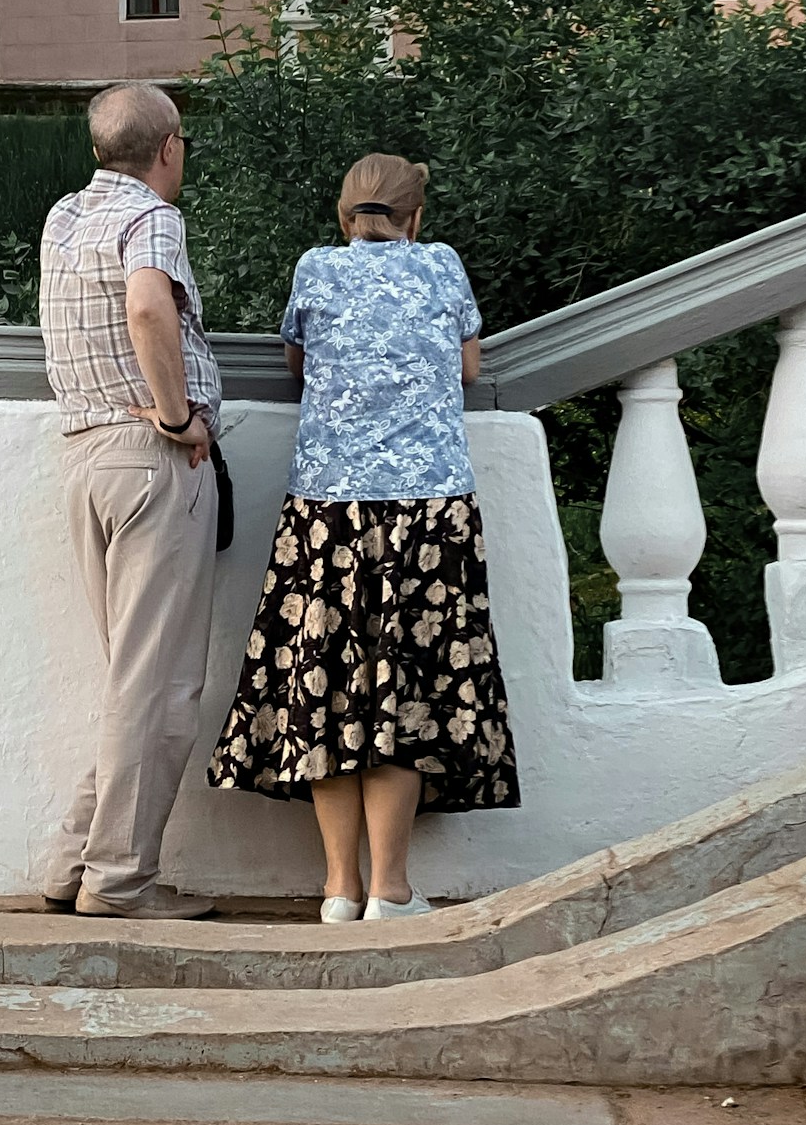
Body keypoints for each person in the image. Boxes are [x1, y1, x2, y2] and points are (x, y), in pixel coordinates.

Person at [209, 153, 518, 922]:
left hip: (327, 514)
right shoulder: (441, 266)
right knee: (405, 693)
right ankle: (392, 890)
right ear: (416, 215)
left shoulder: (315, 269)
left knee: (329, 688)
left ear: (344, 216)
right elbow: (469, 367)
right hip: (428, 512)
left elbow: (298, 360)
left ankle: (339, 889)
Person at [38, 82, 220, 919]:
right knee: (161, 687)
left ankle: (71, 866)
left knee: (131, 680)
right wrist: (177, 416)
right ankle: (117, 885)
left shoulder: (63, 217)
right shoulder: (153, 217)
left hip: (85, 458)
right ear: (169, 146)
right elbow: (147, 305)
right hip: (149, 460)